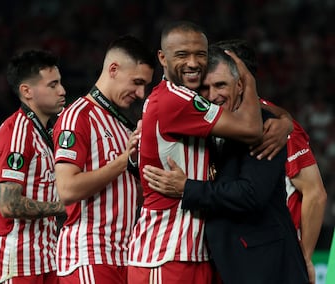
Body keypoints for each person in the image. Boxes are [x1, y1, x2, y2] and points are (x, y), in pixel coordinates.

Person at [143, 44, 310, 283]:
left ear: (240, 85)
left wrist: (187, 188)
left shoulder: (266, 127)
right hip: (224, 265)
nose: (212, 95)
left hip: (267, 267)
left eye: (220, 85)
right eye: (204, 88)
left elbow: (251, 194)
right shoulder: (202, 127)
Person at [127, 21, 263, 284]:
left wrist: (284, 120)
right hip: (165, 255)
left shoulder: (180, 98)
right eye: (182, 55)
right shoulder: (175, 100)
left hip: (189, 253)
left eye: (200, 54)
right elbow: (252, 129)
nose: (193, 63)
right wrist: (246, 76)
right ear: (162, 58)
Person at [215, 39, 327, 284]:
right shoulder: (217, 121)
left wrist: (305, 257)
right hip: (233, 255)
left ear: (241, 79)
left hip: (273, 256)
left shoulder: (277, 127)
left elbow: (315, 193)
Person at [52, 35, 155, 284]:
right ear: (113, 69)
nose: (141, 93)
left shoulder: (123, 126)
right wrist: (122, 161)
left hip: (122, 257)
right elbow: (67, 189)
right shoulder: (77, 116)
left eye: (146, 86)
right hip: (89, 256)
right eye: (137, 82)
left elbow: (124, 192)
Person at [0, 49, 67, 284]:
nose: (62, 91)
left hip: (45, 257)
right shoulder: (18, 133)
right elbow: (8, 204)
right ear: (27, 91)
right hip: (16, 262)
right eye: (53, 85)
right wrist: (64, 207)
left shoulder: (45, 132)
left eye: (60, 83)